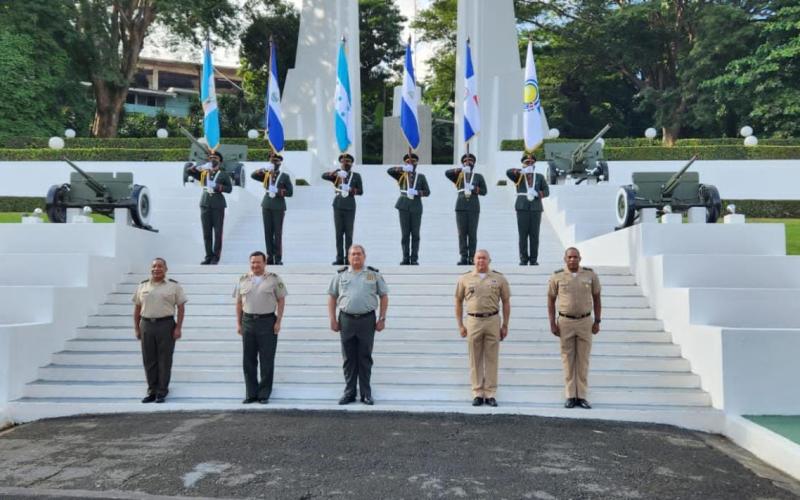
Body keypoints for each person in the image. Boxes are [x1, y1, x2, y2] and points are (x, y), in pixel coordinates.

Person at [327, 244, 389, 405]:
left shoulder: (373, 274)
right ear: (348, 257)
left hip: (367, 320)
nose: (356, 257)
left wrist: (381, 318)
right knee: (348, 358)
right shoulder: (340, 275)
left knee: (365, 357)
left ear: (364, 256)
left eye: (359, 254)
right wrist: (333, 319)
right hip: (346, 319)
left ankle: (366, 393)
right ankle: (349, 392)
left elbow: (383, 296)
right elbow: (332, 297)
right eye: (353, 254)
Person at [547, 247, 602, 409]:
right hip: (565, 322)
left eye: (575, 257)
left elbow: (597, 299)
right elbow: (550, 300)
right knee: (568, 360)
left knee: (583, 360)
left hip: (585, 321)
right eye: (569, 257)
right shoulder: (557, 276)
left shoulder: (590, 275)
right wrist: (552, 322)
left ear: (580, 258)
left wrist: (597, 320)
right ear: (565, 259)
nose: (572, 259)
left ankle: (582, 396)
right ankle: (571, 395)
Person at [454, 249, 511, 407]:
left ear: (489, 260)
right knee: (475, 358)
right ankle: (478, 392)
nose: (481, 261)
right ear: (473, 260)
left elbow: (506, 302)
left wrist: (505, 324)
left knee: (492, 358)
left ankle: (490, 393)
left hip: (493, 319)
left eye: (484, 258)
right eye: (478, 258)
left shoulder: (499, 278)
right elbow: (458, 301)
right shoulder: (465, 278)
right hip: (473, 320)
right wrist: (460, 324)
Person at [235, 251, 287, 404]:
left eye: (258, 262)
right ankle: (251, 393)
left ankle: (264, 394)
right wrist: (238, 323)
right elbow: (238, 303)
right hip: (248, 321)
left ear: (265, 263)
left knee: (267, 359)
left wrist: (278, 321)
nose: (255, 265)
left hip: (267, 322)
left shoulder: (274, 279)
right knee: (248, 360)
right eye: (252, 262)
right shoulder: (242, 279)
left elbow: (281, 300)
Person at [132, 258, 187, 403]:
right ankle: (152, 390)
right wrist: (137, 328)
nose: (157, 269)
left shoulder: (173, 286)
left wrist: (178, 328)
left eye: (160, 266)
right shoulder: (142, 286)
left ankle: (162, 391)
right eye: (154, 266)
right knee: (149, 360)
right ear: (151, 268)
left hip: (166, 324)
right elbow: (137, 308)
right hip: (146, 324)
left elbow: (181, 307)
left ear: (166, 269)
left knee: (164, 360)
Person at [185, 150, 233, 265]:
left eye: (215, 158)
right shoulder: (204, 172)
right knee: (206, 233)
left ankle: (216, 257)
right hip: (205, 203)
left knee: (217, 232)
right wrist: (199, 167)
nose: (212, 159)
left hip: (218, 204)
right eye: (210, 157)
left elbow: (229, 189)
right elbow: (189, 172)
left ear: (220, 161)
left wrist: (217, 186)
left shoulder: (223, 174)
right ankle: (208, 256)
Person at [386, 153, 430, 265]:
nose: (411, 163)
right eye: (408, 162)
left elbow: (427, 192)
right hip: (404, 205)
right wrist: (403, 168)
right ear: (405, 163)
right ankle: (405, 258)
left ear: (416, 163)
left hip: (416, 205)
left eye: (413, 162)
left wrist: (417, 192)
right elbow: (389, 171)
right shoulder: (401, 175)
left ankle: (414, 258)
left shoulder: (421, 177)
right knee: (405, 234)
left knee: (415, 234)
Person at [506, 153, 549, 266]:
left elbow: (547, 191)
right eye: (527, 162)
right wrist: (521, 171)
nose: (529, 164)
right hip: (522, 207)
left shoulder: (539, 176)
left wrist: (538, 193)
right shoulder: (519, 176)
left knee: (534, 235)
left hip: (535, 207)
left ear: (534, 164)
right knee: (523, 234)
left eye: (531, 163)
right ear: (523, 164)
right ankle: (523, 259)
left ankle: (533, 259)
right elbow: (508, 172)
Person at [251, 152, 293, 265]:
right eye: (272, 161)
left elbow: (290, 192)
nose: (274, 163)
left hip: (278, 206)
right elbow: (253, 175)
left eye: (276, 161)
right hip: (267, 205)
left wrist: (279, 191)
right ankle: (269, 256)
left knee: (277, 233)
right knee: (268, 232)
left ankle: (278, 258)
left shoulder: (284, 176)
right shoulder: (266, 174)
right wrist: (263, 169)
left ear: (280, 162)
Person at [445, 153, 487, 265]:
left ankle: (472, 257)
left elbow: (484, 191)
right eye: (465, 161)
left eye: (470, 161)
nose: (468, 162)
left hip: (473, 207)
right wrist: (461, 169)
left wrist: (474, 188)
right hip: (461, 206)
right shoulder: (459, 175)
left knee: (472, 233)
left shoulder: (478, 176)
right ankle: (463, 256)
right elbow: (447, 173)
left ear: (474, 163)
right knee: (462, 233)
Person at [321, 153, 363, 265]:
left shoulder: (356, 176)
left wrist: (350, 189)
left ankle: (349, 258)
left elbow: (361, 191)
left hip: (349, 205)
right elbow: (324, 176)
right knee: (338, 233)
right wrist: (335, 172)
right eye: (344, 162)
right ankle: (339, 258)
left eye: (348, 162)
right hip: (338, 205)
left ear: (351, 163)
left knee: (348, 234)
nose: (346, 164)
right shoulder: (337, 175)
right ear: (341, 163)